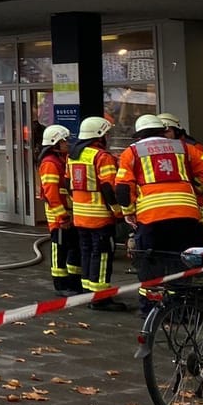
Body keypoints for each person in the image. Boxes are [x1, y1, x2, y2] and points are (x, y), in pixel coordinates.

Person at [114, 114, 203, 316]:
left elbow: (123, 189)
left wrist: (128, 213)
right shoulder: (183, 147)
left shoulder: (131, 152)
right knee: (184, 262)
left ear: (139, 134)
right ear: (162, 130)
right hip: (187, 214)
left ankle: (152, 310)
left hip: (152, 217)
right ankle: (182, 309)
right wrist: (196, 188)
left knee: (150, 264)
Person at [68, 116, 126, 311]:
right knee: (101, 255)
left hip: (80, 216)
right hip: (100, 216)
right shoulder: (102, 157)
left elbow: (69, 185)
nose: (108, 136)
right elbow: (109, 187)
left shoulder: (73, 155)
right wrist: (119, 212)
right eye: (106, 133)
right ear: (99, 134)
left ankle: (88, 292)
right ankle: (101, 298)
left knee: (86, 252)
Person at [39, 124, 80, 296]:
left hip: (67, 213)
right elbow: (51, 193)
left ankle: (73, 282)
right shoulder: (50, 163)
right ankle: (60, 284)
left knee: (72, 247)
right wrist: (62, 217)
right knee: (59, 249)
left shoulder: (61, 160)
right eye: (64, 141)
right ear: (55, 142)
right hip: (59, 217)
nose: (67, 143)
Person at [159, 112, 203, 227]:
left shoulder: (193, 148)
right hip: (167, 206)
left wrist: (195, 185)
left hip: (193, 203)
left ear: (177, 131)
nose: (163, 136)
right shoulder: (158, 150)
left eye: (167, 131)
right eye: (159, 133)